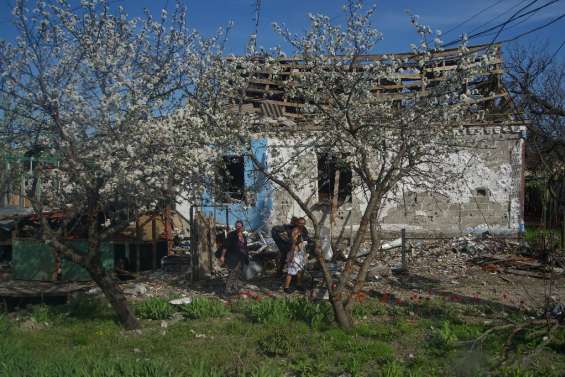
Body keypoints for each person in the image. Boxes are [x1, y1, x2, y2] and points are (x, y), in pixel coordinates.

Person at [219, 220, 249, 295]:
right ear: (235, 227)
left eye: (240, 226)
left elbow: (245, 247)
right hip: (233, 257)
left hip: (241, 257)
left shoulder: (244, 236)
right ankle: (227, 290)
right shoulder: (231, 235)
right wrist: (222, 256)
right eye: (237, 226)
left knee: (238, 273)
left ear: (242, 227)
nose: (238, 228)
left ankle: (235, 288)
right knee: (233, 272)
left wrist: (246, 257)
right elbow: (225, 246)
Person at [283, 227, 307, 293]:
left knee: (299, 271)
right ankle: (286, 287)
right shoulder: (290, 240)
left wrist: (305, 256)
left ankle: (298, 284)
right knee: (290, 272)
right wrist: (291, 257)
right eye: (293, 232)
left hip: (299, 257)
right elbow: (292, 249)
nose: (294, 233)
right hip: (293, 257)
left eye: (296, 232)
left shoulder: (300, 239)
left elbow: (302, 248)